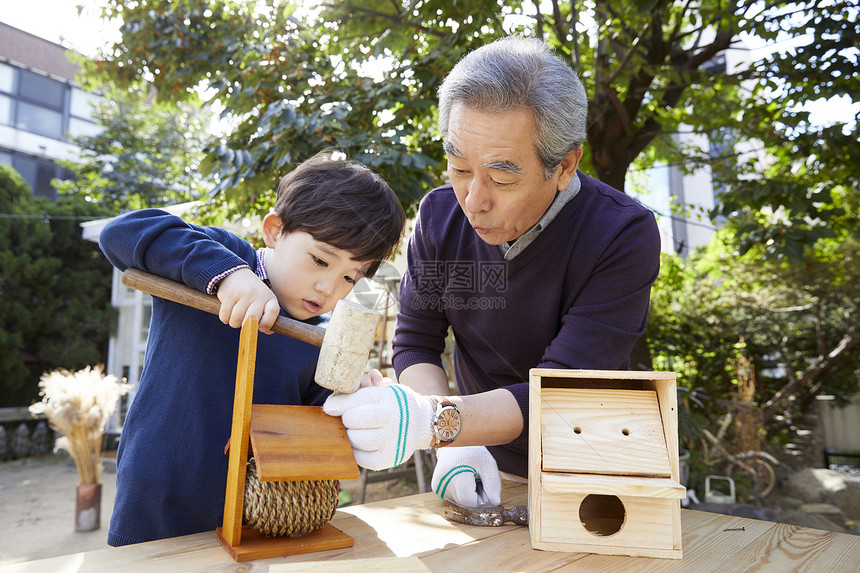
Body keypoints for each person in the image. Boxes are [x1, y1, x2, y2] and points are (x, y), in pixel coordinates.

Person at [323, 37, 661, 508]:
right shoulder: (440, 218)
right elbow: (417, 341)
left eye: (502, 178)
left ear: (565, 165)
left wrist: (434, 423)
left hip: (594, 465)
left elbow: (562, 387)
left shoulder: (622, 233)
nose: (473, 201)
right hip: (483, 457)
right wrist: (454, 445)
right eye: (459, 167)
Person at [99, 151, 405, 546]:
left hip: (260, 518)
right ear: (275, 231)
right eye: (319, 260)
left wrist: (354, 404)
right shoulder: (221, 258)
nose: (328, 288)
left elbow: (315, 430)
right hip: (158, 499)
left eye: (350, 276)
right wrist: (228, 277)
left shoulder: (320, 341)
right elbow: (122, 232)